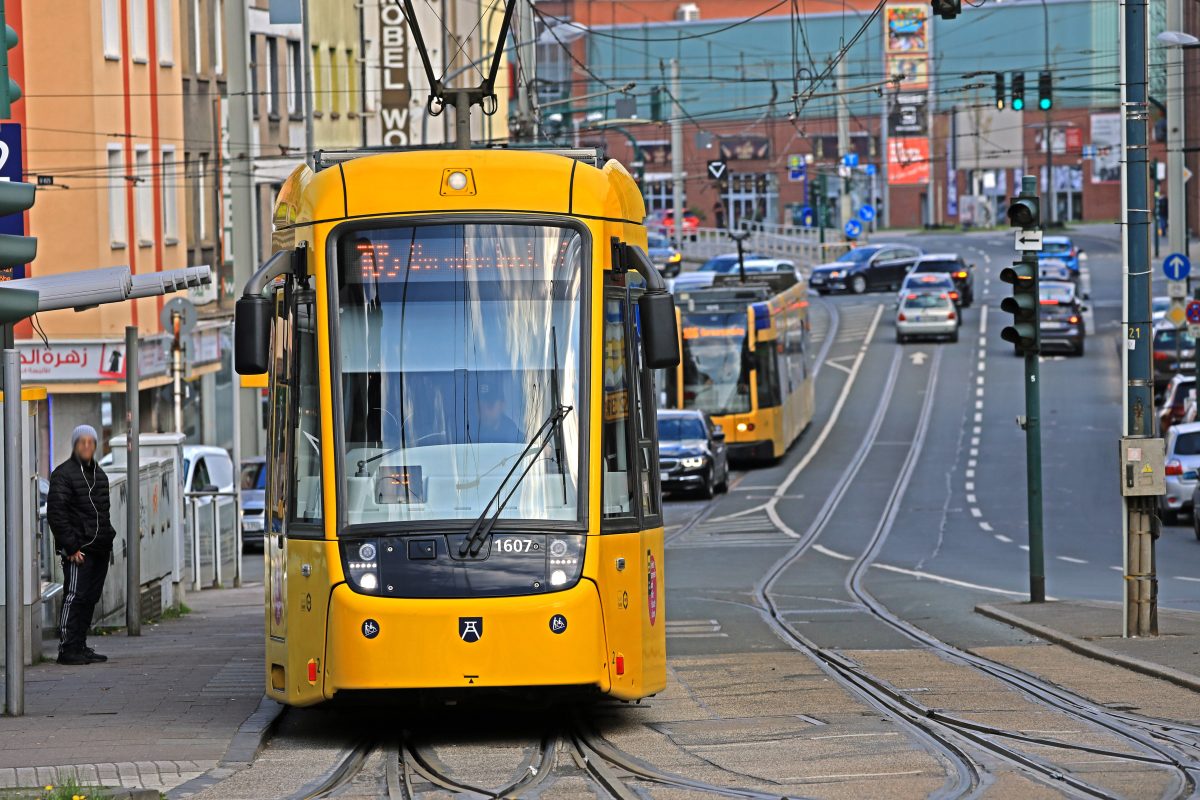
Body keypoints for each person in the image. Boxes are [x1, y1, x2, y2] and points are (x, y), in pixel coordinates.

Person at [47, 425, 116, 665]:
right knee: (74, 596)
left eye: (91, 441)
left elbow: (103, 513)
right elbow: (56, 514)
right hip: (79, 551)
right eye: (82, 441)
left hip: (100, 549)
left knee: (90, 598)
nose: (87, 445)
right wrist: (70, 547)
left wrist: (107, 540)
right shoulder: (63, 474)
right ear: (75, 444)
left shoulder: (100, 474)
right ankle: (67, 649)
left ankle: (80, 644)